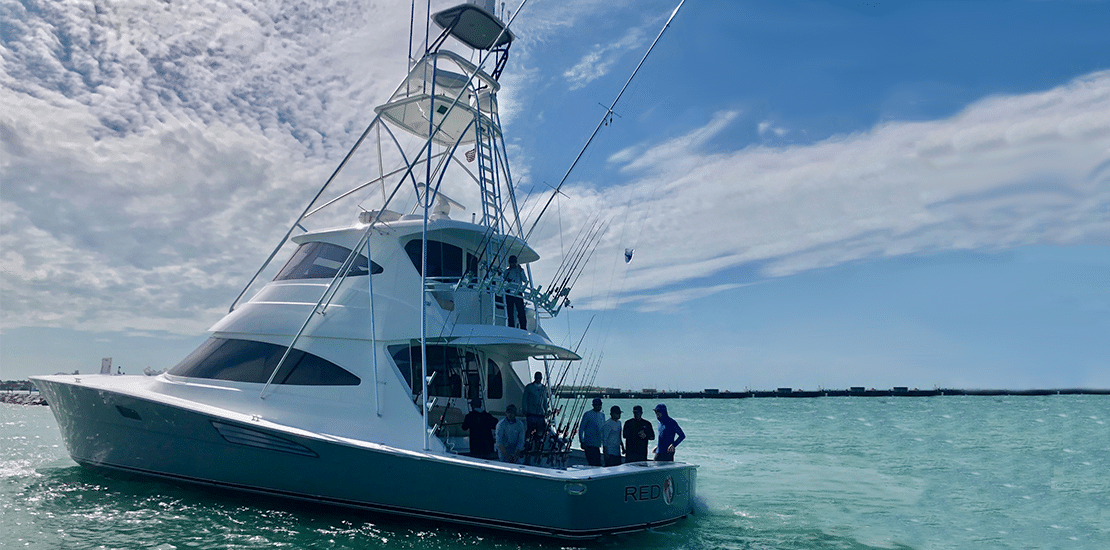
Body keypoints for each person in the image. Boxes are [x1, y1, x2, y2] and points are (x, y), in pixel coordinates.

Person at [578, 398, 605, 466]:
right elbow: (581, 429)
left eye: (599, 405)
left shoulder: (602, 415)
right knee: (593, 463)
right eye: (596, 405)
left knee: (598, 463)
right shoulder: (587, 414)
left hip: (598, 444)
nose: (598, 406)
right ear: (593, 405)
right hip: (589, 444)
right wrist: (582, 441)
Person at [522, 371, 548, 440]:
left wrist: (546, 411)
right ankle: (527, 443)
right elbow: (524, 399)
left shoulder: (544, 388)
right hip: (531, 413)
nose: (538, 379)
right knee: (530, 430)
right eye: (537, 377)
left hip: (540, 414)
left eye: (539, 378)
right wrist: (525, 409)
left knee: (540, 431)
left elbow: (545, 401)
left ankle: (537, 444)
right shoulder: (529, 387)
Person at [504, 255, 527, 330]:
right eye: (512, 263)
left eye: (514, 262)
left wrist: (520, 271)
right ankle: (511, 326)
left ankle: (523, 327)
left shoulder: (520, 270)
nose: (513, 264)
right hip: (509, 293)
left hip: (518, 292)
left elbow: (525, 280)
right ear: (509, 263)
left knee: (521, 311)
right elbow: (504, 281)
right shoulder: (507, 272)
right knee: (510, 311)